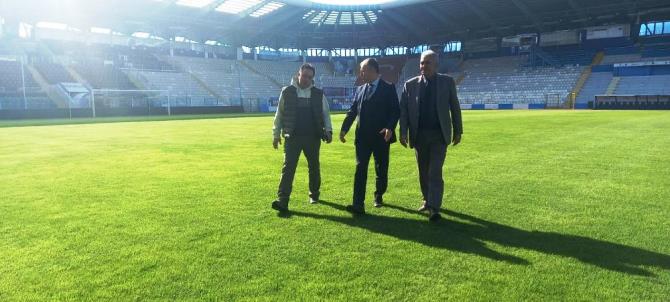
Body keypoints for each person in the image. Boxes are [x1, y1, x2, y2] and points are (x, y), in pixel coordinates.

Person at [399, 50, 463, 222]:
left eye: (427, 63)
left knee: (435, 171)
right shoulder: (410, 85)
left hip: (439, 135)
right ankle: (427, 200)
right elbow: (403, 111)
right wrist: (403, 131)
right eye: (421, 63)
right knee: (423, 171)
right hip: (419, 135)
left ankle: (434, 207)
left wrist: (458, 130)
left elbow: (454, 107)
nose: (423, 66)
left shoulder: (447, 82)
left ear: (436, 64)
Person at [340, 58, 400, 214]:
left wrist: (389, 127)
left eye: (363, 70)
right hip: (362, 139)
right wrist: (344, 129)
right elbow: (352, 111)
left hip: (381, 137)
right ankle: (357, 204)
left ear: (374, 70)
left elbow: (395, 111)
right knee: (360, 169)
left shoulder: (388, 88)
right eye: (361, 70)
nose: (361, 73)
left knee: (381, 169)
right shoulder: (360, 89)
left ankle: (378, 194)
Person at [271, 63, 333, 212]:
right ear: (298, 74)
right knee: (288, 168)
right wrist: (275, 134)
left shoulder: (318, 93)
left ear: (312, 78)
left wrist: (329, 130)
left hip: (313, 137)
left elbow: (326, 113)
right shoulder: (286, 92)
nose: (306, 79)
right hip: (292, 137)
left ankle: (314, 194)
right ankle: (283, 200)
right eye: (304, 75)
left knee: (314, 167)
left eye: (309, 77)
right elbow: (279, 114)